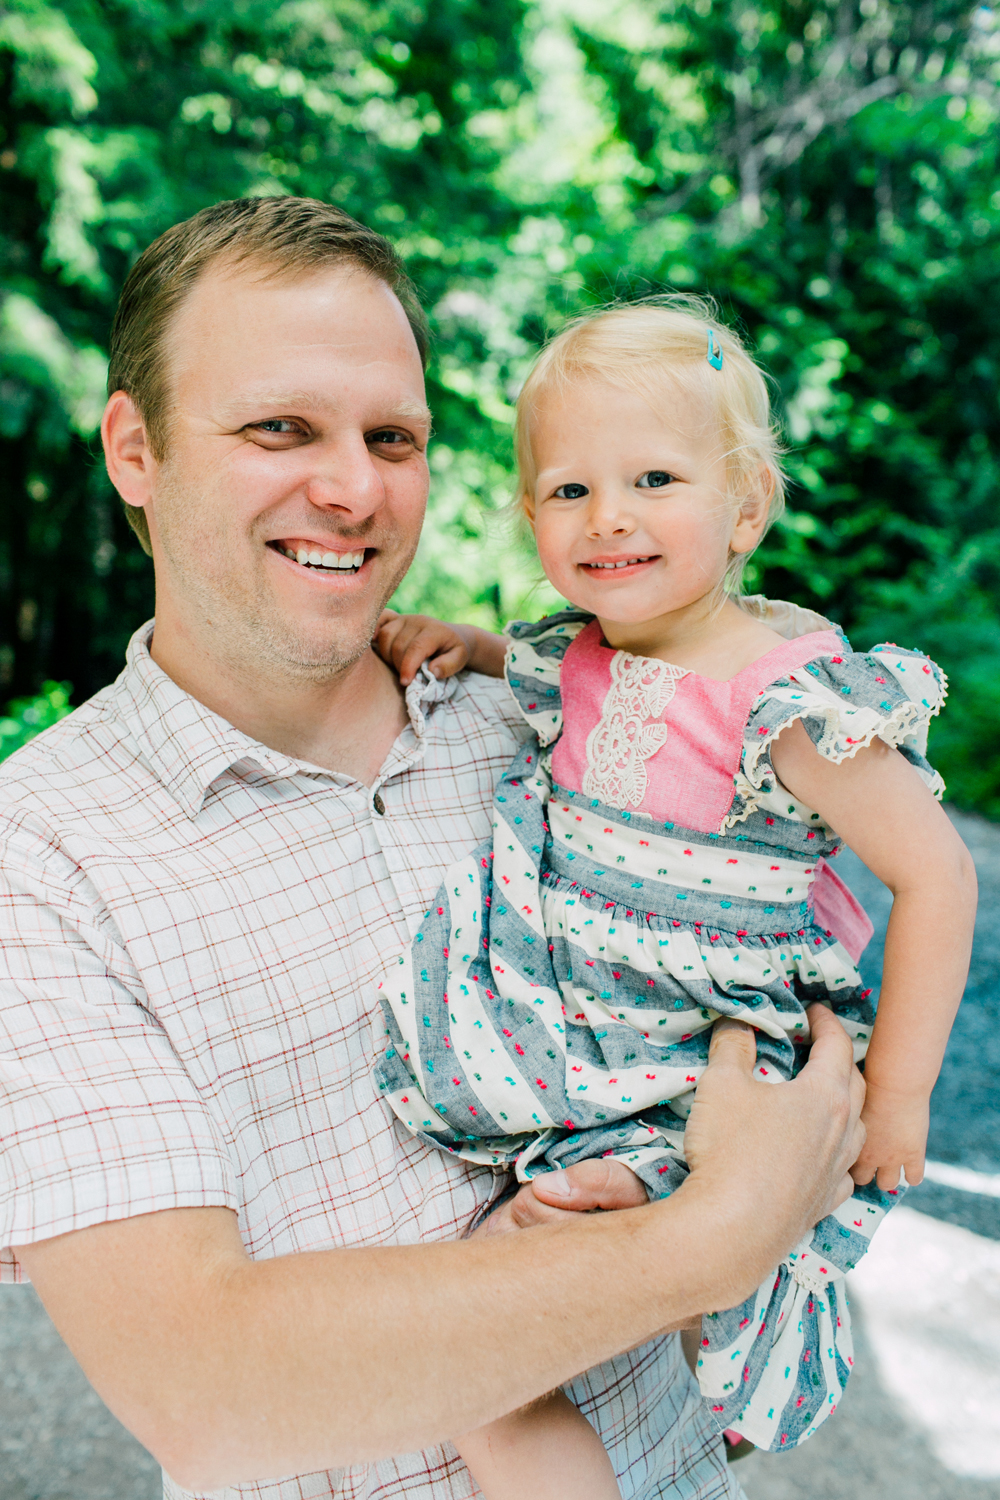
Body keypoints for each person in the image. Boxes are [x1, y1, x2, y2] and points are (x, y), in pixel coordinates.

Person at [0, 197, 870, 1500]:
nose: (352, 487)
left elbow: (778, 965)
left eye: (391, 437)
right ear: (137, 447)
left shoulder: (552, 729)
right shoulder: (40, 854)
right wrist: (719, 1234)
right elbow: (206, 1391)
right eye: (278, 427)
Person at [373, 298, 977, 1499]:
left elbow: (937, 871)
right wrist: (464, 641)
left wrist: (896, 1097)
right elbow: (531, 662)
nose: (608, 518)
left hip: (686, 1063)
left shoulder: (784, 697)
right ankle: (682, 1360)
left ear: (746, 504)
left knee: (491, 1340)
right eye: (567, 489)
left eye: (653, 477)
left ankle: (711, 1323)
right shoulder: (582, 649)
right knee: (493, 1355)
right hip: (565, 1032)